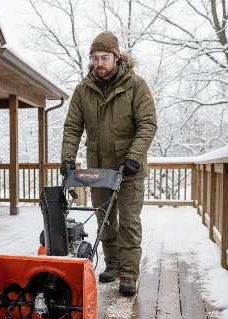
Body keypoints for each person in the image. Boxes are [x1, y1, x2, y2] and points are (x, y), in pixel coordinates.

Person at [60, 31, 157, 296]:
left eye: (104, 57)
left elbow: (147, 125)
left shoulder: (136, 86)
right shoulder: (83, 89)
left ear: (116, 57)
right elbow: (72, 128)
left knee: (128, 221)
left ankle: (128, 273)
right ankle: (112, 265)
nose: (99, 63)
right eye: (94, 58)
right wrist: (68, 159)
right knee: (105, 219)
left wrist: (134, 158)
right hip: (100, 170)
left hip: (129, 170)